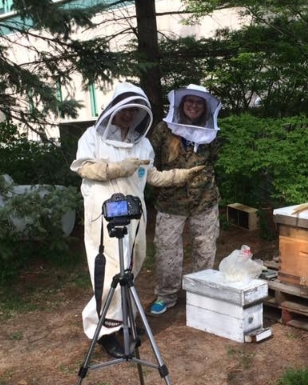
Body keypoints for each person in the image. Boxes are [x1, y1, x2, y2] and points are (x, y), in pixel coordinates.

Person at [70, 82, 203, 358]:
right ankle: (104, 331)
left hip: (134, 215)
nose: (129, 114)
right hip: (103, 215)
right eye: (124, 108)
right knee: (109, 274)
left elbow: (151, 176)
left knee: (130, 269)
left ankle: (124, 323)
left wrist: (181, 175)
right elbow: (83, 168)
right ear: (114, 108)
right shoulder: (92, 137)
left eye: (134, 110)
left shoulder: (141, 144)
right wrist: (115, 169)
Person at [147, 84, 222, 315]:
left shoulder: (211, 132)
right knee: (167, 251)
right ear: (181, 104)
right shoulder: (163, 129)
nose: (194, 106)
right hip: (171, 202)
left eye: (199, 103)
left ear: (205, 107)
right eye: (190, 101)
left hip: (205, 201)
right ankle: (166, 296)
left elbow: (215, 161)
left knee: (205, 249)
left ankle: (200, 294)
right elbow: (149, 160)